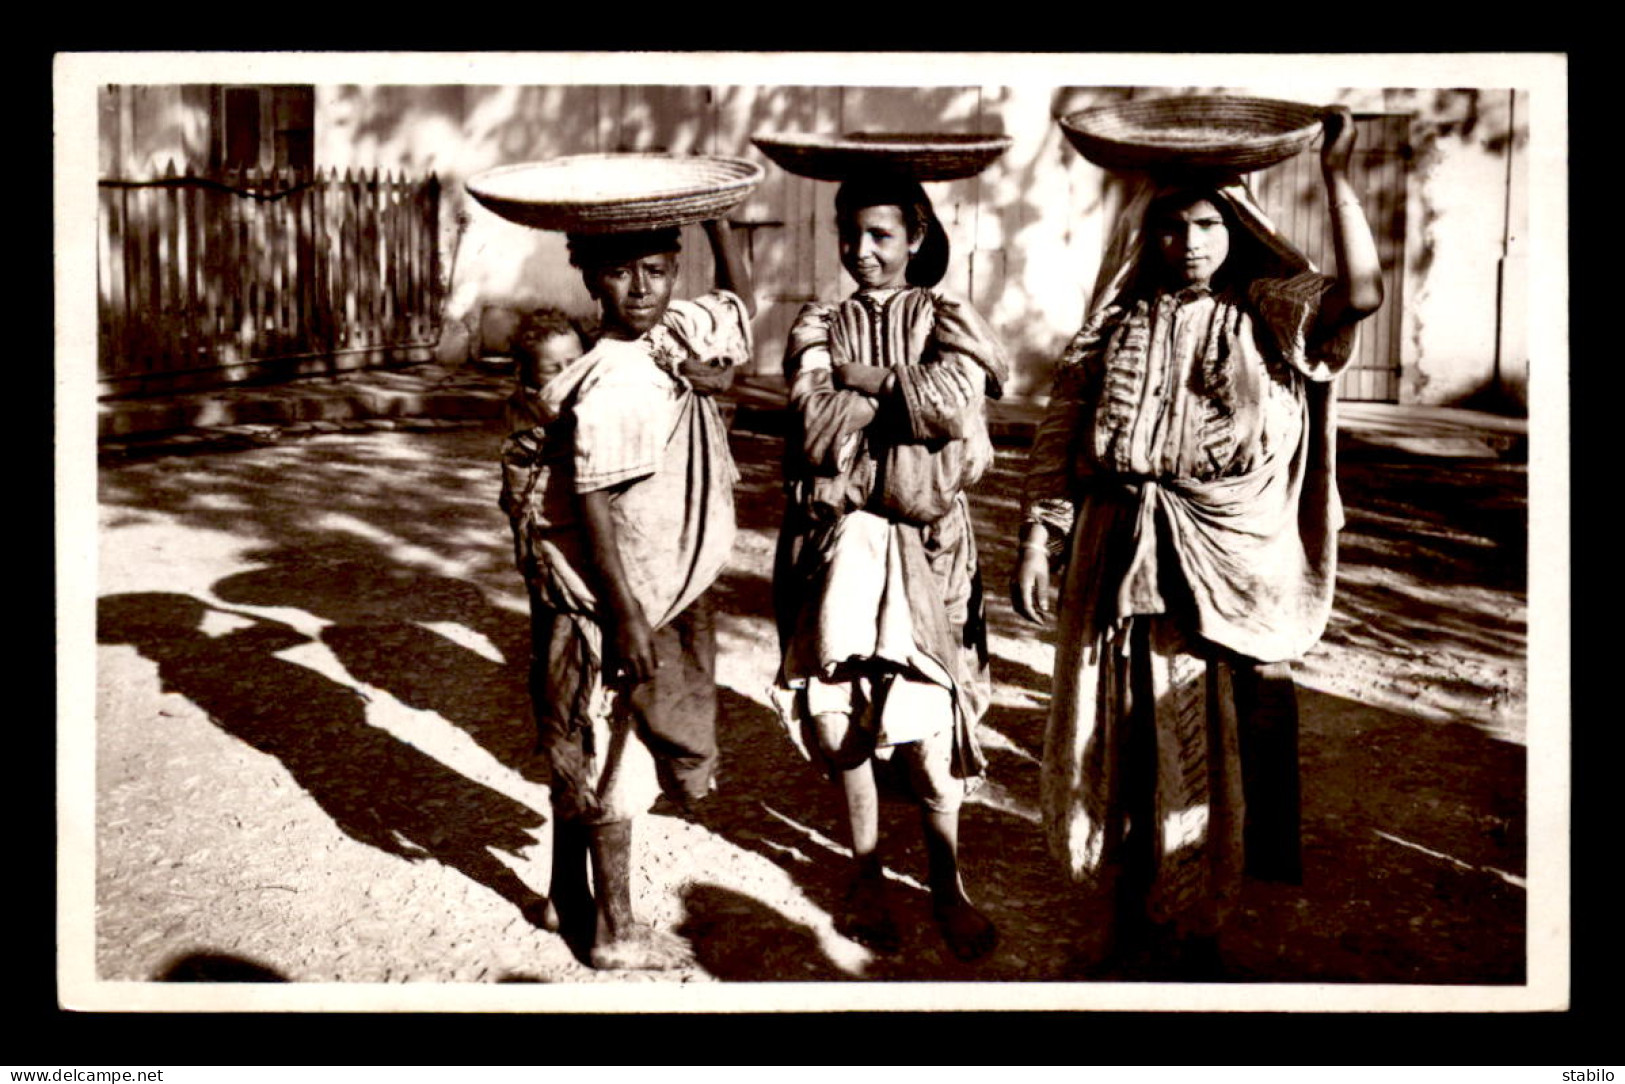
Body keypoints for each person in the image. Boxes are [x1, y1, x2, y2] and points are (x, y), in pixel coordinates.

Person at [1010, 106, 1384, 976]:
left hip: (1221, 559)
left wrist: (1336, 174)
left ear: (1238, 226)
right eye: (1171, 223)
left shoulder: (1266, 312)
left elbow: (1360, 294)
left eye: (1209, 222)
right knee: (1113, 733)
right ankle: (1120, 911)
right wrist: (1038, 538)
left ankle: (1194, 923)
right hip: (1114, 548)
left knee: (1206, 736)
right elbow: (1060, 436)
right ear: (1148, 233)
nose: (1189, 241)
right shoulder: (1114, 324)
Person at [501, 218, 755, 970]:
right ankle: (613, 930)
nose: (641, 289)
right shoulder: (611, 376)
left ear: (675, 267)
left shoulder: (673, 333)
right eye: (620, 274)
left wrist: (720, 220)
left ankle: (565, 897)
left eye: (655, 269)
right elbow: (594, 505)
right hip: (627, 596)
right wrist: (626, 617)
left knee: (599, 736)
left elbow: (739, 306)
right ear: (589, 280)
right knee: (619, 747)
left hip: (662, 586)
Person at [773, 172, 1008, 962]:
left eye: (880, 235)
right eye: (850, 234)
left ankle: (947, 886)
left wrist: (865, 382)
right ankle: (866, 872)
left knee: (932, 725)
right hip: (838, 542)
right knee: (843, 716)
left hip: (928, 544)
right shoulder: (816, 320)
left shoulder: (949, 316)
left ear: (914, 236)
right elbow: (811, 427)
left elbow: (953, 404)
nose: (862, 251)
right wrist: (901, 398)